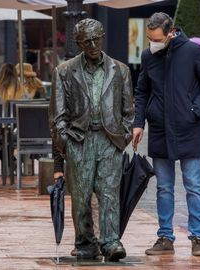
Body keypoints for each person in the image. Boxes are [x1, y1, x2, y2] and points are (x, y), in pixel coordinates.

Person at [132, 12, 200, 257]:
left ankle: (198, 237)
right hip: (159, 129)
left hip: (188, 128)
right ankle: (165, 236)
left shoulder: (192, 51)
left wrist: (195, 110)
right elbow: (142, 91)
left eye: (156, 38)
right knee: (163, 187)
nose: (152, 42)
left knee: (193, 185)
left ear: (171, 32)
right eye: (150, 38)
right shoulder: (149, 55)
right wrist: (139, 122)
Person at [49, 18, 134, 261]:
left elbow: (128, 110)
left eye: (97, 38)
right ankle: (85, 242)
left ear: (103, 36)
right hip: (80, 139)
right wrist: (67, 143)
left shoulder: (121, 70)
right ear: (79, 43)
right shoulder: (64, 71)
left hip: (110, 139)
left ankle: (110, 242)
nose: (94, 44)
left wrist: (123, 136)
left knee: (109, 194)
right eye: (87, 41)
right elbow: (57, 115)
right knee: (81, 197)